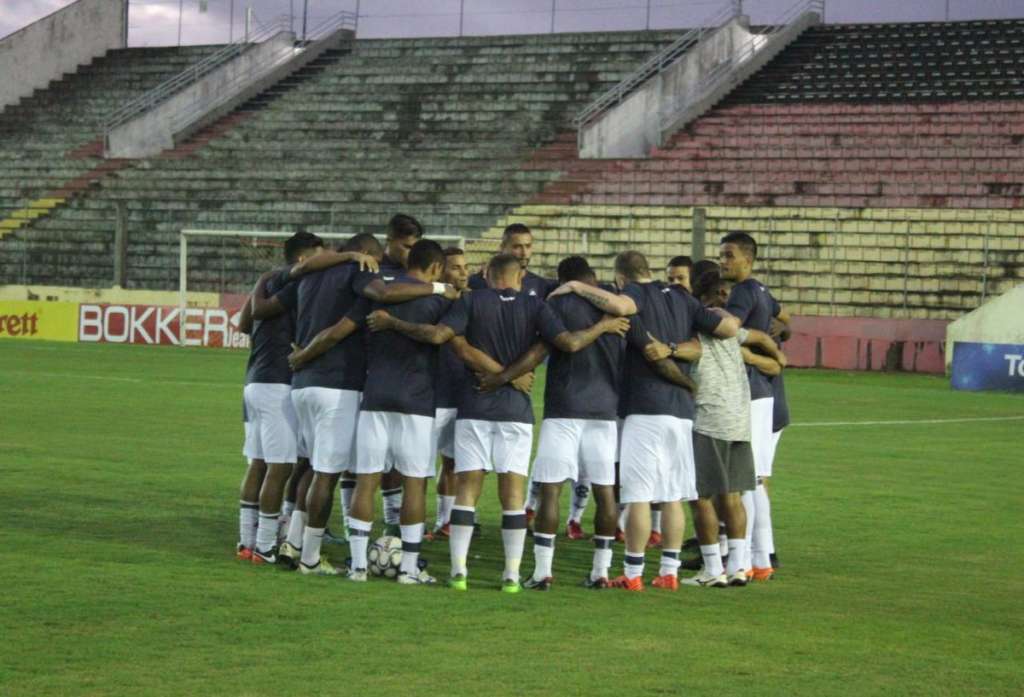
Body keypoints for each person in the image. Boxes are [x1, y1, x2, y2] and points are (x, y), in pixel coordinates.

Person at [370, 253, 628, 592]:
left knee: (467, 490)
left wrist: (493, 374)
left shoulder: (473, 300)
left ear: (488, 275)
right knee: (513, 494)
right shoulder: (535, 306)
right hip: (515, 412)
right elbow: (555, 343)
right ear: (519, 276)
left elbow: (452, 340)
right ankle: (510, 575)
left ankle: (459, 572)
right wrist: (510, 377)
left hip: (475, 404)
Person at [261, 232, 457, 576]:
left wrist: (300, 354)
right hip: (337, 385)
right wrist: (439, 289)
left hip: (302, 385)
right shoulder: (360, 274)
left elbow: (274, 309)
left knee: (310, 466)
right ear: (365, 256)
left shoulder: (310, 275)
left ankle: (293, 542)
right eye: (376, 260)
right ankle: (310, 558)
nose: (378, 267)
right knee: (329, 474)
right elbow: (346, 324)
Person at [610, 250, 739, 592]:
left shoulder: (634, 296)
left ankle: (633, 573)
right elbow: (727, 327)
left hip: (645, 407)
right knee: (672, 496)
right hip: (681, 414)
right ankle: (669, 571)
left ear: (621, 278)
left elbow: (634, 331)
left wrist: (577, 288)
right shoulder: (683, 298)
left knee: (638, 495)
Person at [507, 256, 635, 590]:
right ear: (593, 277)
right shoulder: (616, 306)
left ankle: (542, 571)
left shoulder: (557, 303)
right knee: (605, 491)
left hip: (565, 408)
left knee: (551, 489)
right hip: (605, 410)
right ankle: (601, 572)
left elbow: (562, 344)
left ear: (562, 280)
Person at [339, 239, 454, 584]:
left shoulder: (379, 290)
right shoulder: (440, 297)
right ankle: (408, 569)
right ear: (435, 268)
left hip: (375, 396)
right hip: (417, 401)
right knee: (414, 483)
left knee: (367, 480)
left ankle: (358, 566)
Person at [678, 270, 786, 588]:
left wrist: (668, 348)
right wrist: (777, 355)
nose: (728, 300)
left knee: (701, 498)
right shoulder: (732, 327)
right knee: (734, 496)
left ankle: (713, 568)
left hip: (710, 418)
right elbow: (760, 337)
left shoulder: (701, 320)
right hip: (739, 419)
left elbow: (692, 350)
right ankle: (739, 566)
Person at [234, 232, 325, 563]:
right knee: (281, 466)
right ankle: (266, 546)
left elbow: (243, 323)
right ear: (303, 260)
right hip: (278, 384)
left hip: (254, 381)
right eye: (319, 257)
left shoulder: (267, 279)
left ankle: (246, 542)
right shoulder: (298, 287)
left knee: (259, 462)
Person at [719, 232, 790, 581]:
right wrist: (772, 340)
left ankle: (743, 561)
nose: (723, 261)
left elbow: (727, 329)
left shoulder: (744, 292)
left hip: (748, 390)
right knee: (756, 480)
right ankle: (761, 560)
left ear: (748, 258)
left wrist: (750, 349)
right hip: (762, 390)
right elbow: (784, 319)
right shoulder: (762, 291)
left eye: (729, 255)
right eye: (721, 255)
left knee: (744, 479)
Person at [430, 247, 471, 539]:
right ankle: (407, 521)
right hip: (431, 396)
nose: (463, 272)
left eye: (464, 267)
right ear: (440, 271)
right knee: (418, 466)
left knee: (453, 463)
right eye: (455, 267)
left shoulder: (472, 302)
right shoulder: (430, 303)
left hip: (462, 395)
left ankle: (445, 521)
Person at [467, 223, 556, 298]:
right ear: (502, 248)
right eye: (517, 247)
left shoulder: (541, 285)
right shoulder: (477, 282)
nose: (524, 253)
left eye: (528, 246)